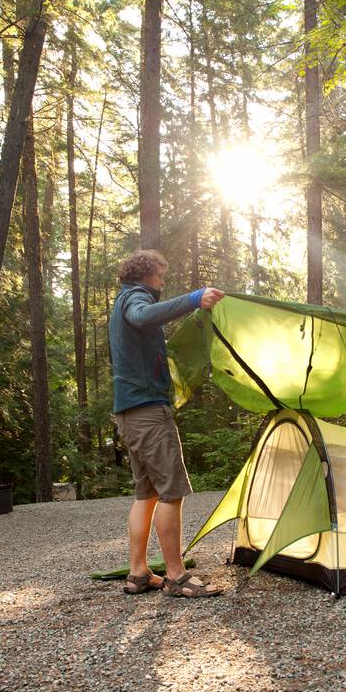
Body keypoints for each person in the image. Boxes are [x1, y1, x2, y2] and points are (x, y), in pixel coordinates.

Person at [110, 249, 225, 598]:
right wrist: (193, 299)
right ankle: (176, 575)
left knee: (146, 494)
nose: (162, 281)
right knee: (172, 493)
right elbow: (143, 316)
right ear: (146, 273)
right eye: (160, 275)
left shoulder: (121, 302)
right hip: (147, 412)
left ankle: (138, 574)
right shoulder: (135, 297)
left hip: (129, 413)